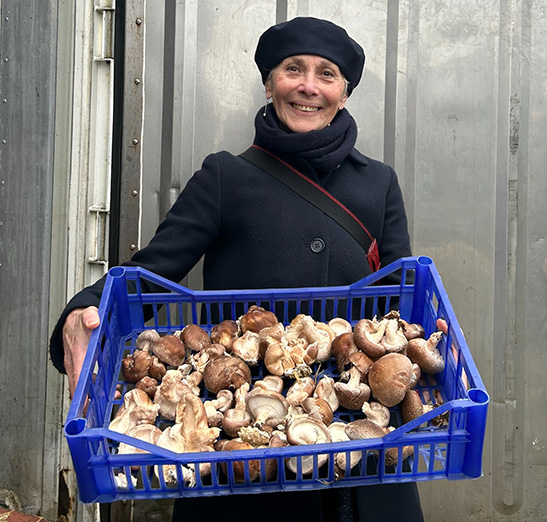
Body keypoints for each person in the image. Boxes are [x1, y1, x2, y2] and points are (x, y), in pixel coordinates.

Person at [50, 17, 423, 522]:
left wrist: (425, 334)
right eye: (293, 69)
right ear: (270, 83)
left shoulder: (378, 183)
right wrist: (85, 307)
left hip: (357, 444)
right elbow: (153, 269)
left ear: (345, 91)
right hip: (246, 442)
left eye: (327, 74)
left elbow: (400, 297)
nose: (308, 86)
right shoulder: (226, 176)